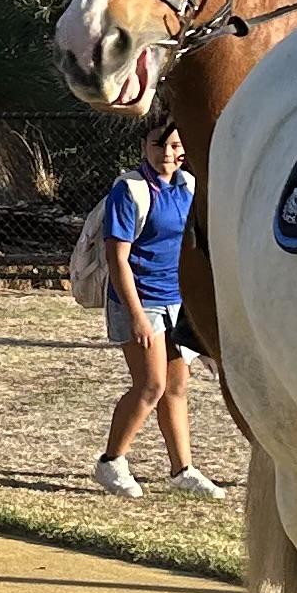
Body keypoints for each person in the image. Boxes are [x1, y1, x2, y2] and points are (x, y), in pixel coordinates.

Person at [94, 116, 220, 500]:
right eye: (158, 145)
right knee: (151, 386)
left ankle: (182, 470)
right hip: (139, 299)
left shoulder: (190, 186)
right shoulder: (129, 190)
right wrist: (134, 314)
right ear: (144, 148)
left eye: (176, 146)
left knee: (177, 387)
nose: (168, 154)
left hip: (178, 301)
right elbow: (117, 259)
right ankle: (111, 462)